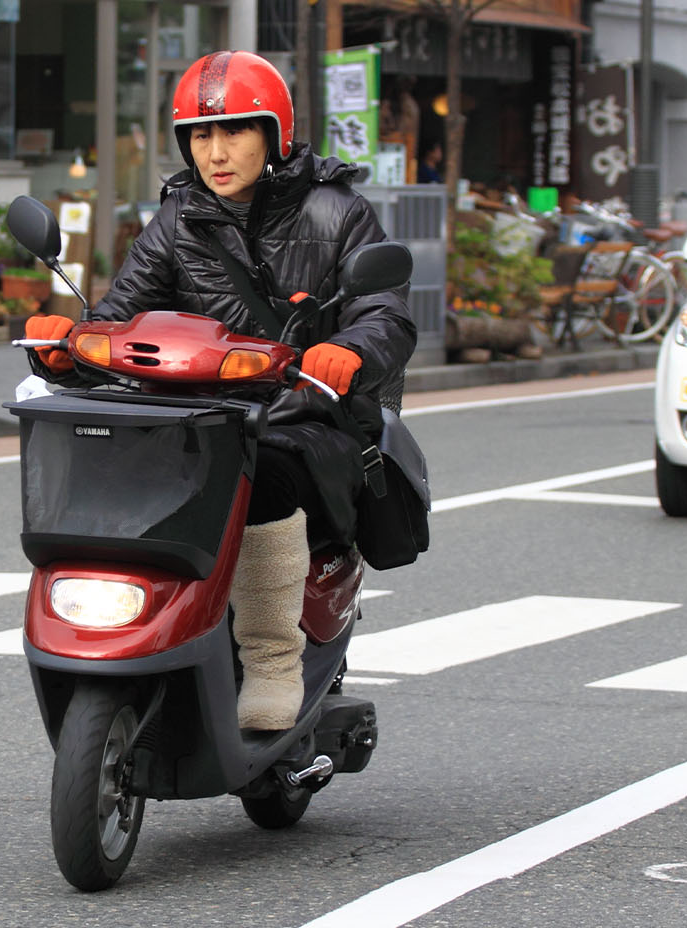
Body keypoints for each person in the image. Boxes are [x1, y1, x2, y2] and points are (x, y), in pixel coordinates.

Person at [23, 50, 415, 732]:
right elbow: (119, 318)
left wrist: (348, 350)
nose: (216, 150)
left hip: (301, 413)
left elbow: (386, 312)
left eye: (235, 130)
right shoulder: (179, 219)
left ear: (275, 133)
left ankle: (271, 660)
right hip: (194, 415)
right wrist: (68, 350)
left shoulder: (337, 212)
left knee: (265, 478)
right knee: (105, 453)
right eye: (200, 135)